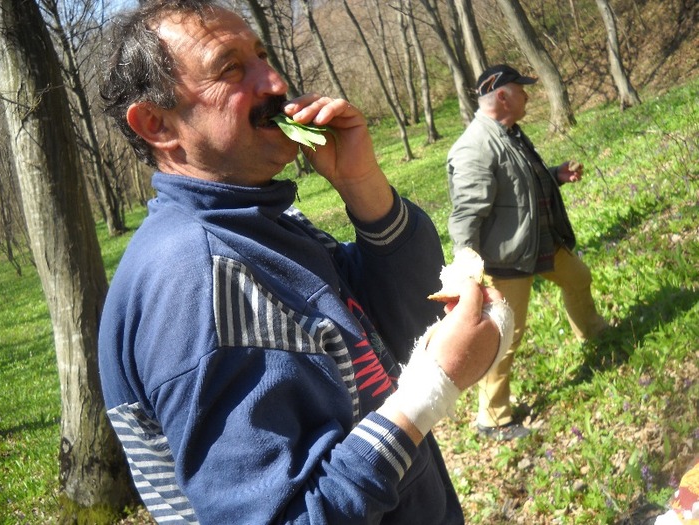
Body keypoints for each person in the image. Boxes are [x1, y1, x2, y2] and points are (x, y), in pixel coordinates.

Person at [97, 1, 512, 523]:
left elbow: (404, 314)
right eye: (230, 67)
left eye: (262, 55)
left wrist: (362, 185)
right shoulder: (198, 277)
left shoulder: (261, 225)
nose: (273, 81)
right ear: (157, 124)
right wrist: (433, 389)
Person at [446, 64, 609, 441]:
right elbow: (466, 214)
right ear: (502, 95)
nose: (528, 95)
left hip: (538, 243)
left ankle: (594, 332)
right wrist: (468, 268)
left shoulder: (509, 133)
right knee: (506, 337)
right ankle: (492, 418)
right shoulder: (475, 146)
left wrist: (555, 175)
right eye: (522, 89)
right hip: (506, 258)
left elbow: (519, 184)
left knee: (579, 278)